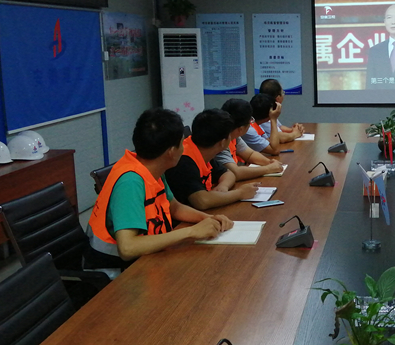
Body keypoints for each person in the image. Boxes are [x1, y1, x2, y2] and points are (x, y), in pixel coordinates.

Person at [85, 108, 233, 269]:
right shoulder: (130, 182)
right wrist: (191, 232)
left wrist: (208, 219)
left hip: (149, 258)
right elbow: (128, 248)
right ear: (171, 152)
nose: (184, 148)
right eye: (181, 143)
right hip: (118, 271)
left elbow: (174, 207)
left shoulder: (154, 168)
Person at [164, 109, 259, 210]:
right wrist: (240, 193)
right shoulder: (183, 161)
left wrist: (223, 186)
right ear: (223, 142)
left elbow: (228, 174)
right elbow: (202, 201)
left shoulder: (204, 150)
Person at [215, 98, 285, 181]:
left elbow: (250, 154)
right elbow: (236, 172)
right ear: (241, 129)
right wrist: (268, 169)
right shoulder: (220, 142)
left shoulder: (234, 135)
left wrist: (269, 162)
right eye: (251, 120)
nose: (252, 123)